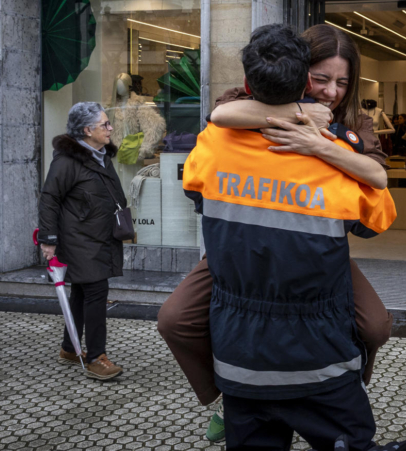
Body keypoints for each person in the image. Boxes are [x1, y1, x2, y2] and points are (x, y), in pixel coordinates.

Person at [157, 24, 392, 443]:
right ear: (299, 72)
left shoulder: (355, 123)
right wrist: (293, 114)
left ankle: (350, 379)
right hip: (239, 247)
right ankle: (221, 398)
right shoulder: (248, 105)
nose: (331, 92)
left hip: (311, 246)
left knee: (374, 326)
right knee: (174, 319)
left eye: (342, 82)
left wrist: (320, 143)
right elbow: (220, 115)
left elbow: (376, 177)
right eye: (320, 79)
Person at [36, 102, 126, 381]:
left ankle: (69, 348)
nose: (110, 129)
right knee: (97, 292)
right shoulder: (67, 162)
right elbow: (49, 199)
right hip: (80, 240)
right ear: (87, 130)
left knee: (81, 294)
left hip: (100, 236)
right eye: (105, 125)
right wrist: (48, 240)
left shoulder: (100, 156)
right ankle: (96, 356)